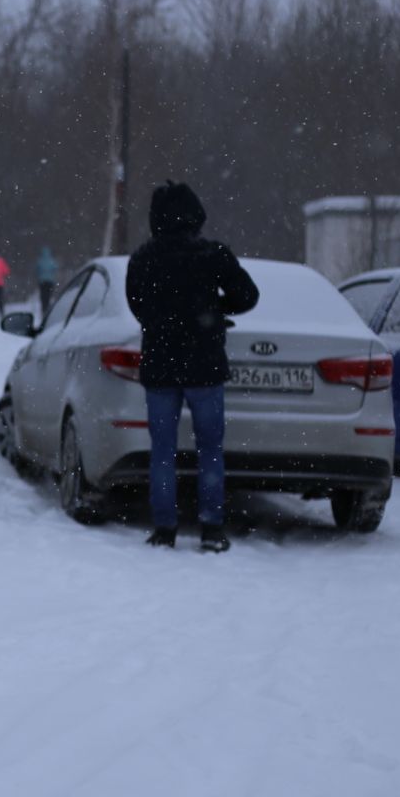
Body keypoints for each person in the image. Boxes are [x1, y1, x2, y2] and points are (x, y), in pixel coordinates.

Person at [125, 181, 259, 553]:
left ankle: (165, 528)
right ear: (195, 214)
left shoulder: (142, 259)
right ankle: (212, 528)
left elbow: (137, 306)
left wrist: (164, 318)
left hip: (160, 365)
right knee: (210, 449)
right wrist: (213, 309)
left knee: (162, 451)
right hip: (205, 364)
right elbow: (248, 296)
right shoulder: (213, 255)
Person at [36, 246, 60, 320]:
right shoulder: (51, 260)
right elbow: (55, 268)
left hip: (42, 281)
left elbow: (37, 270)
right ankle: (48, 309)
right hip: (50, 281)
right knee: (49, 295)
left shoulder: (40, 260)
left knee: (43, 296)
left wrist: (40, 276)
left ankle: (44, 309)